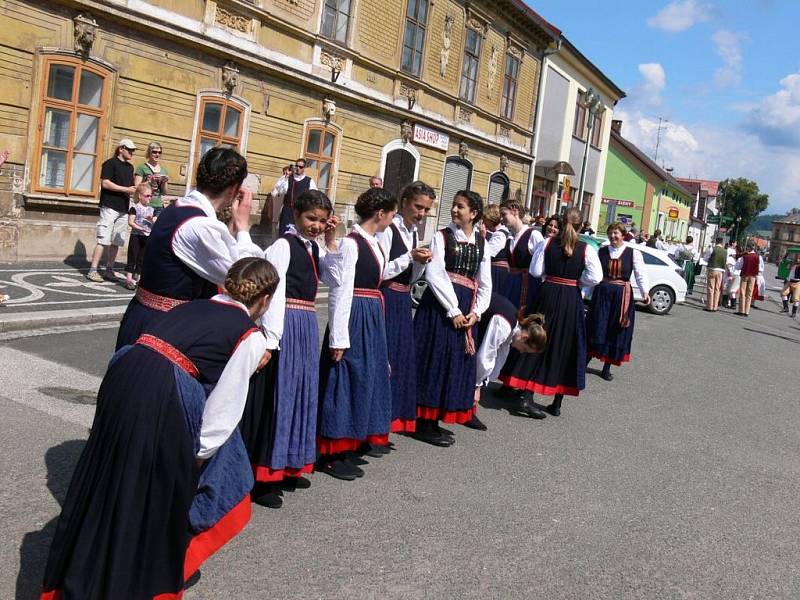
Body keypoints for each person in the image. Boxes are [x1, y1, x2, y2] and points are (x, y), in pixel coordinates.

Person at [40, 258, 278, 600]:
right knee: (151, 495)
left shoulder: (191, 306)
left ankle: (81, 575)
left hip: (124, 373)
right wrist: (196, 458)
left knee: (107, 481)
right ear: (265, 300)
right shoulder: (249, 334)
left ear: (224, 286)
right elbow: (224, 410)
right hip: (162, 390)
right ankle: (126, 583)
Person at [241, 191, 338, 508]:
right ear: (296, 214)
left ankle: (289, 463)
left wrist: (331, 239)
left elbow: (334, 276)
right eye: (312, 219)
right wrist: (270, 339)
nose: (317, 225)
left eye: (322, 221)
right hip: (286, 324)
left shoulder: (313, 247)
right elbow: (274, 290)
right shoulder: (283, 245)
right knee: (280, 396)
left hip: (305, 323)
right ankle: (263, 475)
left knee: (300, 395)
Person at [115, 147, 262, 350]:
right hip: (163, 330)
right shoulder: (199, 226)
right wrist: (243, 227)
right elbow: (246, 281)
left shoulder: (178, 207)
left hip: (145, 319)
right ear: (233, 189)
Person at [317, 187, 396, 480]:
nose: (392, 219)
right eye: (391, 213)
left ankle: (349, 442)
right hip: (356, 314)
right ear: (380, 214)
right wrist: (338, 336)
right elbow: (340, 290)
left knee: (365, 377)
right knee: (345, 378)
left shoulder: (372, 242)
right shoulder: (352, 244)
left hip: (371, 313)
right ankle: (331, 450)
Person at [499, 207, 602, 419]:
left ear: (562, 223)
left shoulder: (547, 243)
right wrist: (576, 281)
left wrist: (552, 276)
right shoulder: (586, 248)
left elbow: (536, 271)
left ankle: (525, 394)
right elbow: (596, 277)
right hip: (570, 298)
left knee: (539, 339)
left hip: (548, 295)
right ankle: (556, 402)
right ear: (582, 226)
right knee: (566, 345)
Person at [413, 190, 491, 446]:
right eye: (454, 206)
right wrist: (454, 310)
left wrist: (477, 312)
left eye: (461, 207)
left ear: (474, 213)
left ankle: (436, 417)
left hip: (467, 306)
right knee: (434, 359)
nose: (455, 210)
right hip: (441, 306)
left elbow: (484, 281)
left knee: (454, 363)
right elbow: (435, 274)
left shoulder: (482, 242)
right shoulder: (441, 236)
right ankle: (424, 422)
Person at [378, 181, 434, 435]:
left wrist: (421, 263)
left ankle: (388, 421)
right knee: (384, 359)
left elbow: (411, 277)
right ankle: (375, 422)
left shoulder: (412, 231)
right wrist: (410, 256)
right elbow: (383, 270)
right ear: (404, 203)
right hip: (387, 296)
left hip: (402, 300)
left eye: (426, 210)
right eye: (418, 207)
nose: (421, 213)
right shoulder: (389, 229)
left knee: (399, 361)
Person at [472, 293, 548, 430]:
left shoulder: (513, 329)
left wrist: (483, 383)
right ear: (524, 337)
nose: (521, 352)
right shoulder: (504, 325)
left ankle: (466, 409)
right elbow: (486, 356)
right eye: (524, 349)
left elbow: (500, 357)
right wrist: (477, 385)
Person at [586, 223, 651, 381]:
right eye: (610, 233)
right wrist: (585, 293)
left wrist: (645, 291)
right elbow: (592, 273)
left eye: (615, 233)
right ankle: (584, 361)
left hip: (622, 296)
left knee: (615, 328)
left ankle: (606, 367)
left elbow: (640, 274)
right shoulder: (601, 251)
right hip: (602, 294)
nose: (612, 236)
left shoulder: (632, 253)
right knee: (596, 326)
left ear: (623, 235)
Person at [87, 139, 137, 283]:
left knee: (117, 241)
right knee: (103, 239)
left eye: (133, 150)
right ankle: (93, 270)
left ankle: (109, 269)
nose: (132, 152)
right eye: (129, 149)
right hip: (109, 206)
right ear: (121, 149)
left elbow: (131, 187)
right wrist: (126, 189)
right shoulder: (110, 163)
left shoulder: (130, 167)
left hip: (123, 208)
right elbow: (105, 183)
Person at [499, 199, 543, 310]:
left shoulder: (533, 235)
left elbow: (542, 263)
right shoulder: (510, 237)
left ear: (515, 211)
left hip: (528, 286)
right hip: (511, 284)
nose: (501, 218)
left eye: (504, 214)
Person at [124, 183, 155, 290]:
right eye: (147, 195)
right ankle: (129, 279)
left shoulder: (151, 209)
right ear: (140, 196)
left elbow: (154, 223)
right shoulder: (135, 208)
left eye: (151, 195)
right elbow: (130, 222)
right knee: (133, 256)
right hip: (136, 236)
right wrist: (139, 228)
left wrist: (152, 220)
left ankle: (138, 279)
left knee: (142, 258)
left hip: (146, 236)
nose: (149, 198)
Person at [274, 158, 317, 234]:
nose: (298, 168)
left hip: (300, 212)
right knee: (284, 232)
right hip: (287, 211)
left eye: (300, 167)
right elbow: (280, 190)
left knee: (298, 234)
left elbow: (314, 196)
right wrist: (286, 177)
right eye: (296, 166)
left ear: (304, 168)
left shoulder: (309, 181)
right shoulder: (287, 178)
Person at [134, 141, 170, 217]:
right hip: (145, 204)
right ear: (149, 153)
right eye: (154, 152)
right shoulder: (142, 167)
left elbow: (165, 192)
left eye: (159, 152)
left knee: (156, 228)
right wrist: (150, 181)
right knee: (144, 227)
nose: (157, 154)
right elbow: (137, 187)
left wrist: (164, 182)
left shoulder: (163, 170)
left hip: (159, 204)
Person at [483, 203, 511, 291]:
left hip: (497, 272)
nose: (484, 223)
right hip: (494, 270)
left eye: (485, 220)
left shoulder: (500, 234)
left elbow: (487, 254)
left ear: (491, 219)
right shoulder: (496, 233)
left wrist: (482, 238)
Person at [734, 241, 763, 316]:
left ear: (749, 248)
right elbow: (761, 268)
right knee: (749, 294)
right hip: (753, 276)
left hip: (745, 275)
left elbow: (737, 266)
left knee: (743, 293)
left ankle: (741, 310)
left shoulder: (744, 256)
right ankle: (747, 311)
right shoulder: (758, 257)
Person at [704, 237, 727, 311]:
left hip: (712, 268)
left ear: (716, 242)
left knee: (711, 288)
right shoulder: (725, 251)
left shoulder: (712, 249)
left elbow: (706, 258)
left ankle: (709, 306)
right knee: (717, 289)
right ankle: (715, 306)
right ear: (722, 242)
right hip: (721, 270)